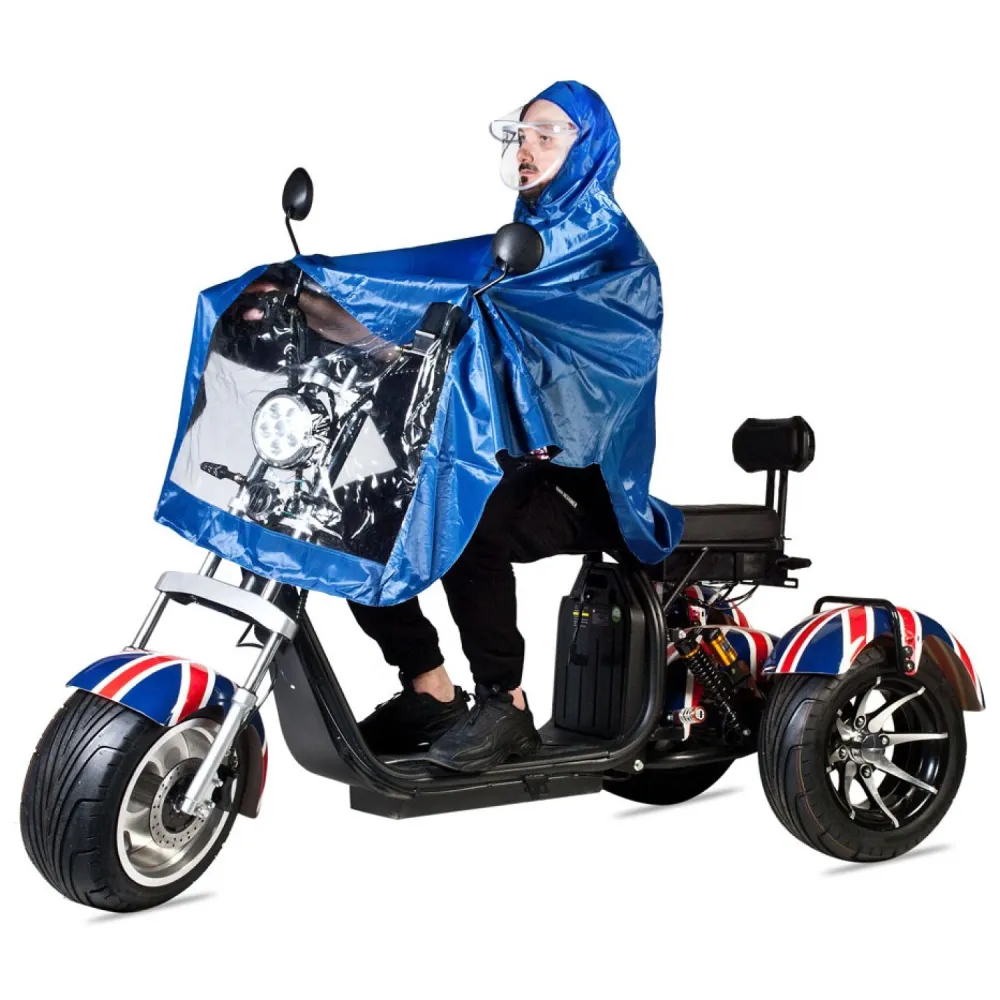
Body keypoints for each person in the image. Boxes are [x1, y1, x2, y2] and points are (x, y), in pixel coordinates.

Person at [344, 88, 631, 772]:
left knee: (470, 508)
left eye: (545, 136)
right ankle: (430, 688)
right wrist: (330, 308)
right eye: (520, 136)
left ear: (587, 146)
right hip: (514, 458)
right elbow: (457, 314)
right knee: (357, 499)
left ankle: (507, 703)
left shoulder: (601, 245)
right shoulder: (516, 250)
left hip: (582, 477)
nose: (526, 150)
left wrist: (342, 281)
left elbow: (599, 370)